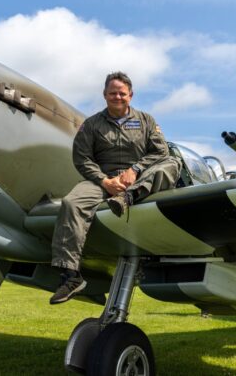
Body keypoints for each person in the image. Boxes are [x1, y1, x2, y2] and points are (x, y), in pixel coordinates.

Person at [49, 71, 181, 304]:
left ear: (130, 95)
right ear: (104, 95)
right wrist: (104, 181)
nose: (117, 97)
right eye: (113, 93)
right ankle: (70, 276)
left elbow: (160, 152)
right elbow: (82, 158)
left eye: (122, 93)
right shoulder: (91, 125)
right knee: (71, 202)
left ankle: (128, 198)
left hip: (140, 179)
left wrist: (136, 170)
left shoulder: (146, 121)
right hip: (102, 179)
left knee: (171, 163)